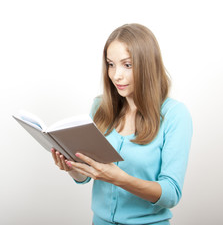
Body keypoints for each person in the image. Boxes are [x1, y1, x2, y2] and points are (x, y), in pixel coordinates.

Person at [51, 23, 193, 225]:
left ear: (147, 66)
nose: (116, 75)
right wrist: (72, 167)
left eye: (127, 65)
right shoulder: (100, 106)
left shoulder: (175, 115)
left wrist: (119, 178)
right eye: (111, 64)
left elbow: (171, 194)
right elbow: (86, 178)